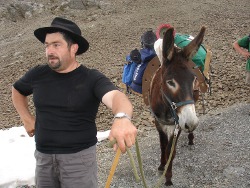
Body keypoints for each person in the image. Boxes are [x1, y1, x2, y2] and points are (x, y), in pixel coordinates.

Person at [11, 17, 137, 188]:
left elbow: (116, 97)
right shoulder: (37, 74)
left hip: (79, 161)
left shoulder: (91, 78)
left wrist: (122, 117)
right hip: (43, 158)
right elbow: (17, 90)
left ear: (74, 48)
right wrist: (26, 118)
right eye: (47, 45)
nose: (49, 51)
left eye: (56, 44)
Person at [126, 29, 157, 94]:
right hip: (149, 89)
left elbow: (128, 58)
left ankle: (128, 85)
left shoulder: (139, 54)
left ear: (142, 43)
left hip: (135, 86)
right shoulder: (157, 55)